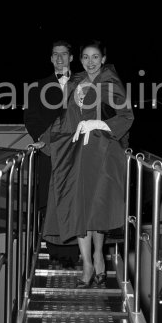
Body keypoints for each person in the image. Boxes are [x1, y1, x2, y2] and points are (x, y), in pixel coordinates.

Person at [39, 39, 134, 288]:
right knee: (79, 203)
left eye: (95, 57)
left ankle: (98, 255)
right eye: (85, 57)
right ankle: (87, 264)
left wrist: (98, 124)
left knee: (97, 207)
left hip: (102, 153)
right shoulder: (75, 81)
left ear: (103, 59)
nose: (90, 62)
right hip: (77, 153)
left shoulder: (110, 81)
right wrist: (47, 139)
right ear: (80, 59)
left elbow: (127, 116)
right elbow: (66, 117)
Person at [23, 39, 78, 268]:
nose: (59, 58)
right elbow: (30, 119)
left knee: (75, 203)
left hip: (77, 152)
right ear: (50, 58)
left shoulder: (85, 84)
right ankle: (55, 252)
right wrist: (45, 143)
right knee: (50, 202)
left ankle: (74, 254)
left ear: (71, 58)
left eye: (63, 54)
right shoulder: (36, 86)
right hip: (50, 152)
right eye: (55, 54)